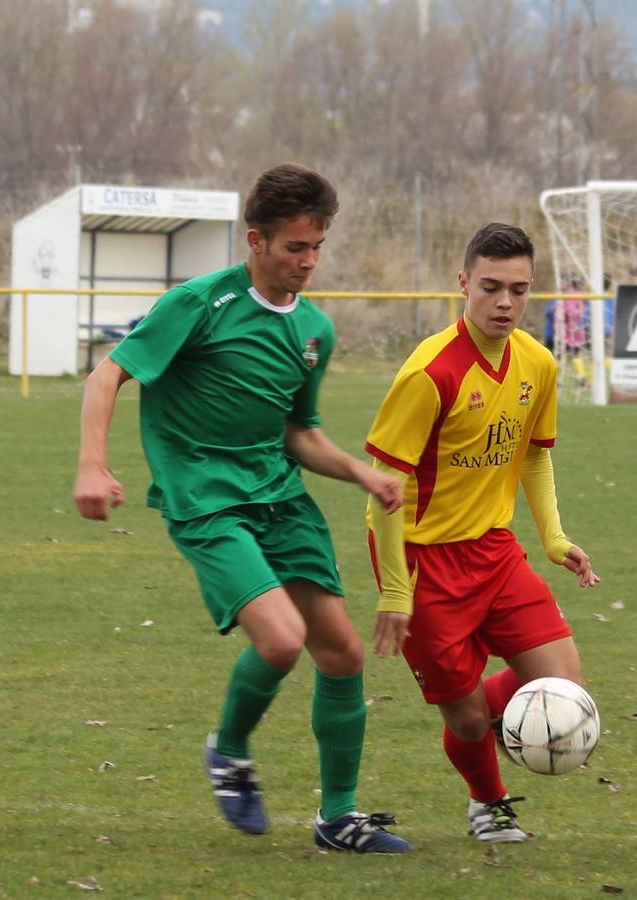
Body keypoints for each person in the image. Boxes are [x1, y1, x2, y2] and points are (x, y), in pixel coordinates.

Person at [72, 163, 412, 854]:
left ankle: (337, 819)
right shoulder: (198, 304)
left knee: (343, 654)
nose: (309, 261)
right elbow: (109, 373)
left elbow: (298, 431)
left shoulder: (313, 329)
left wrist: (358, 473)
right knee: (282, 641)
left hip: (280, 499)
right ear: (255, 240)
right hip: (207, 500)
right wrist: (92, 464)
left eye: (317, 246)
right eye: (295, 248)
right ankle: (228, 751)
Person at [363, 222, 601, 843]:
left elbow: (533, 455)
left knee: (561, 686)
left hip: (494, 551)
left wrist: (553, 538)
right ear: (464, 283)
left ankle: (508, 717)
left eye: (519, 290)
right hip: (423, 561)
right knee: (468, 721)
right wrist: (394, 591)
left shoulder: (538, 363)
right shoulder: (429, 374)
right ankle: (488, 803)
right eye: (490, 287)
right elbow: (381, 493)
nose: (504, 303)